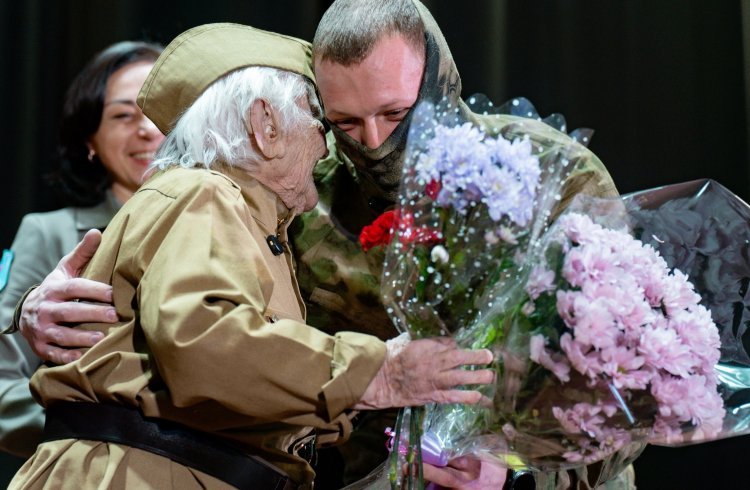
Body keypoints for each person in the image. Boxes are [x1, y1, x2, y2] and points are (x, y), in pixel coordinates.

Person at [10, 1, 636, 488]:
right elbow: (206, 331)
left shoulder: (549, 175)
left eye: (396, 114)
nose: (369, 141)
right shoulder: (295, 191)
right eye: (341, 121)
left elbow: (640, 373)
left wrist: (519, 467)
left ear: (441, 84)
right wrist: (43, 310)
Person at [0, 40, 164, 459]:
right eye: (124, 114)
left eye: (161, 110)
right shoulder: (48, 234)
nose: (146, 128)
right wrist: (82, 429)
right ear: (91, 139)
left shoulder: (229, 227)